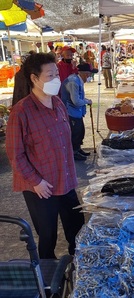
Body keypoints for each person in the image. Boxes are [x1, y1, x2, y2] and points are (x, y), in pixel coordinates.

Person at [5, 53, 85, 259]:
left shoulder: (58, 103)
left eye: (56, 74)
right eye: (50, 75)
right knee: (47, 235)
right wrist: (36, 182)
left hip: (65, 180)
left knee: (76, 228)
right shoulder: (21, 112)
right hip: (40, 187)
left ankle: (76, 267)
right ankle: (49, 284)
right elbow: (15, 155)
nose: (56, 79)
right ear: (34, 78)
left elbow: (64, 144)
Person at [61, 63, 99, 161]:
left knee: (80, 131)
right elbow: (76, 101)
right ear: (84, 73)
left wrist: (86, 100)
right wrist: (87, 101)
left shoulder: (78, 80)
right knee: (75, 133)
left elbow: (79, 97)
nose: (90, 76)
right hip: (71, 112)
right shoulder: (73, 82)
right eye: (89, 74)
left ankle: (78, 149)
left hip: (76, 112)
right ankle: (74, 152)